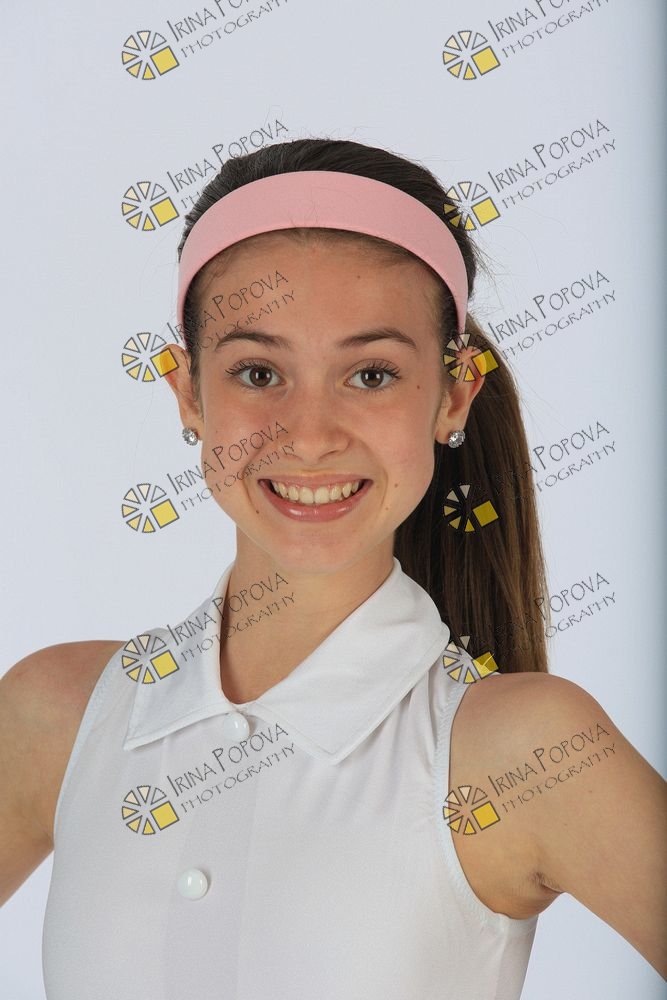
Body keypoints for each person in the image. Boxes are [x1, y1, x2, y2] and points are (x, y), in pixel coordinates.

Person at [1, 138, 665, 998]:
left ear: (453, 394)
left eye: (371, 374)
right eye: (257, 372)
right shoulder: (60, 717)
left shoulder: (522, 750)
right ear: (188, 393)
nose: (309, 434)